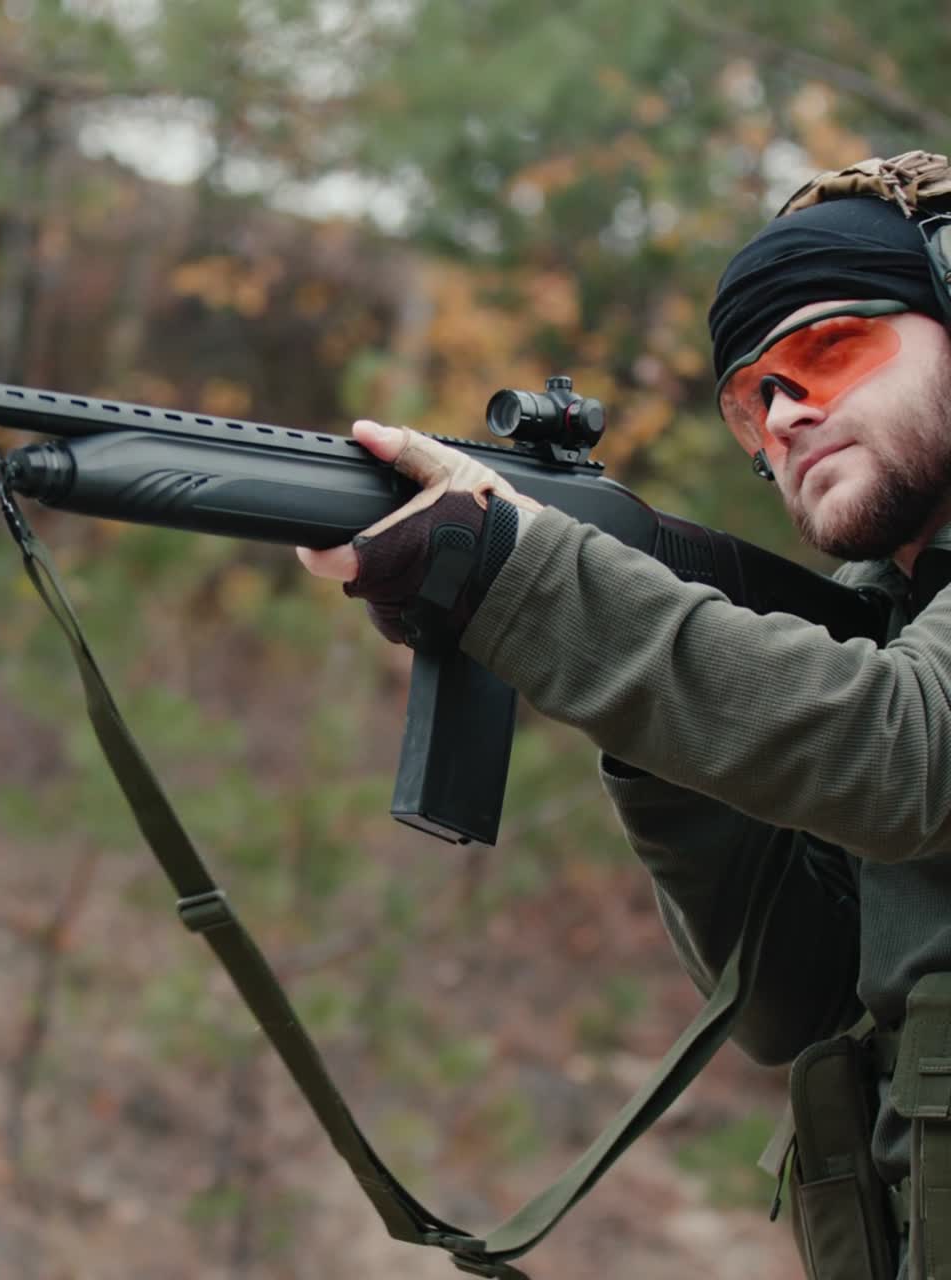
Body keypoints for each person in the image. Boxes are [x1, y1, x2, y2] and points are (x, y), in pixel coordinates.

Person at [296, 150, 951, 1280]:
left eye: (829, 350)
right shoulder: (881, 623)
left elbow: (901, 750)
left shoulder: (888, 686)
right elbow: (787, 1001)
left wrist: (533, 582)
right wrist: (642, 723)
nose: (787, 410)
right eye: (751, 398)